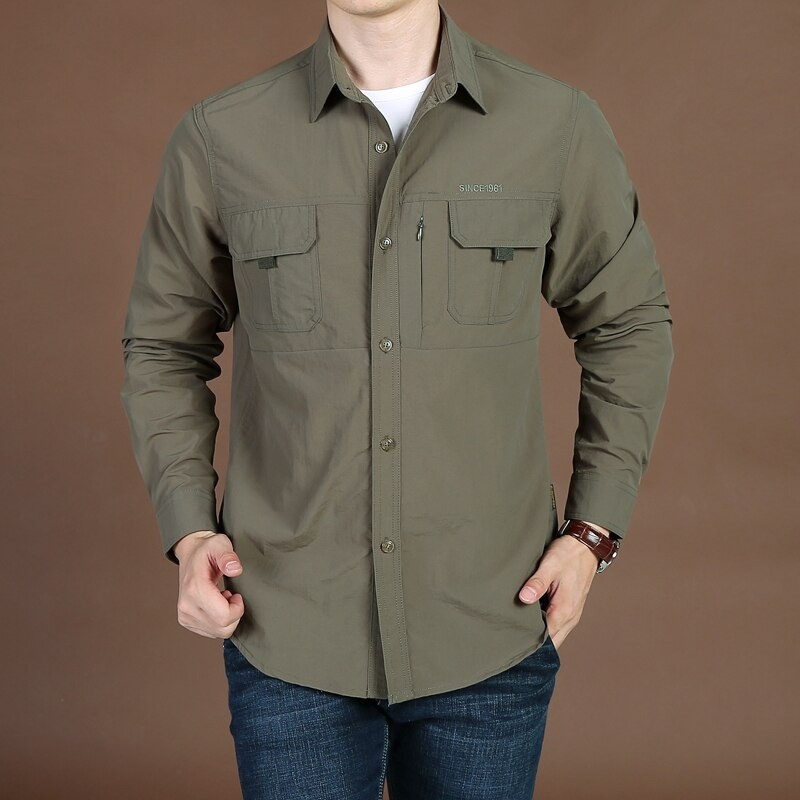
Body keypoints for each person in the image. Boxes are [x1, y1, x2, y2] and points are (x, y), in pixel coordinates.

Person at [120, 1, 674, 797]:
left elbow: (629, 325)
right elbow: (164, 345)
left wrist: (592, 534)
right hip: (286, 631)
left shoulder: (555, 124)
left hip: (488, 628)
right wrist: (189, 531)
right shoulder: (222, 135)